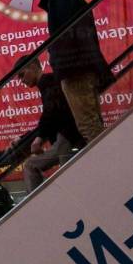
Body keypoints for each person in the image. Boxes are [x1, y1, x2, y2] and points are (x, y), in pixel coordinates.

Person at [30, 0, 112, 143]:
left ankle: (109, 159)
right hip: (84, 65)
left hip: (74, 69)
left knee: (88, 124)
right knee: (92, 121)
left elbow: (66, 35)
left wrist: (59, 62)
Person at [14, 55, 85, 192]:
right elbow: (49, 118)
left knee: (30, 166)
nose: (22, 80)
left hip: (69, 137)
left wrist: (39, 138)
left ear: (33, 67)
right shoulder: (49, 83)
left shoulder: (48, 82)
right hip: (70, 136)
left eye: (22, 75)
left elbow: (51, 113)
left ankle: (37, 203)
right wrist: (26, 138)